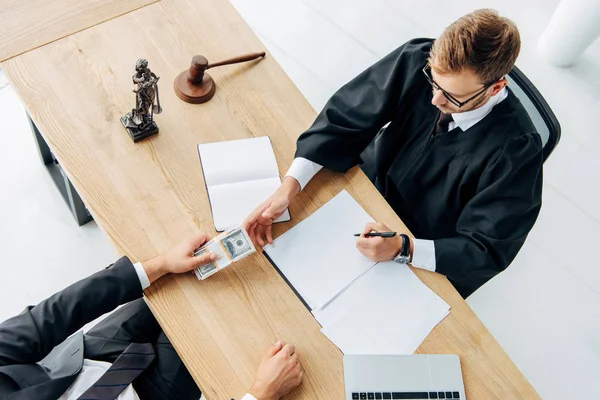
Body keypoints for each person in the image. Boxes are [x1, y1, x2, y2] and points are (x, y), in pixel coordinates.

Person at [244, 9, 543, 298]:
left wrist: (405, 248)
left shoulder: (518, 150)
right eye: (433, 81)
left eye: (453, 96)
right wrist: (289, 186)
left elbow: (487, 247)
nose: (435, 99)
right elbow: (346, 117)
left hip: (425, 239)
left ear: (495, 88)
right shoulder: (418, 58)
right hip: (366, 187)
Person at [0, 233, 302, 400]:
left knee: (198, 280)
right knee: (241, 319)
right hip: (155, 396)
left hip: (93, 357)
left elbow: (50, 317)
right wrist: (261, 395)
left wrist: (161, 265)